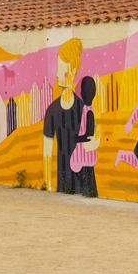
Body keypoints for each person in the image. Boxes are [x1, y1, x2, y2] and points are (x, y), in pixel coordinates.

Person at [42, 39, 85, 193]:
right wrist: (47, 185)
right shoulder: (52, 111)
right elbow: (47, 153)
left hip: (82, 179)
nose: (57, 73)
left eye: (61, 68)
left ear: (73, 72)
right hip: (61, 181)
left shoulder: (82, 109)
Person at [67, 75, 100, 195]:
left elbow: (89, 134)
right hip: (85, 154)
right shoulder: (87, 109)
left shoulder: (89, 111)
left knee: (88, 175)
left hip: (86, 153)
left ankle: (90, 192)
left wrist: (77, 139)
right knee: (87, 174)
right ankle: (89, 192)